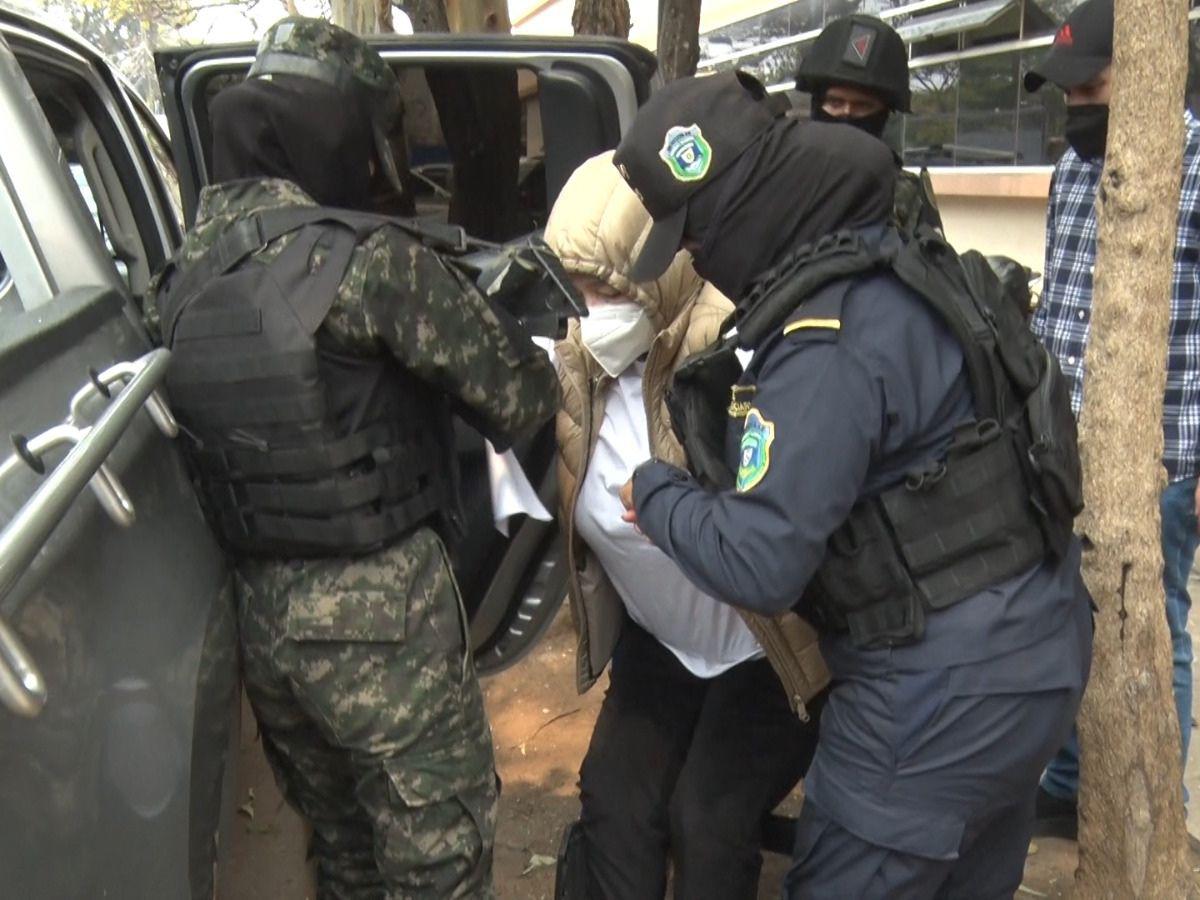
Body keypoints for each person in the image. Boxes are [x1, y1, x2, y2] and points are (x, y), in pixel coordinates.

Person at [611, 70, 1093, 898]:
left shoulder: (823, 338)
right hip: (1036, 658)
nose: (694, 258)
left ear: (742, 207)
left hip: (935, 700)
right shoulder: (907, 257)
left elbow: (760, 563)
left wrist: (657, 493)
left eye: (695, 236)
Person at [148, 17, 558, 897]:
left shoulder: (177, 281)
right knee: (436, 865)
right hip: (383, 617)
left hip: (261, 622)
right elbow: (521, 396)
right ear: (336, 132)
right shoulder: (368, 262)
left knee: (342, 855)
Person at [543, 151, 830, 899]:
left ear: (664, 268)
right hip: (662, 645)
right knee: (615, 803)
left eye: (609, 284)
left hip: (765, 653)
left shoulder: (741, 364)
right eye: (578, 285)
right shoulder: (575, 375)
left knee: (706, 820)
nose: (591, 305)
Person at [1025, 0, 1200, 837]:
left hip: (1164, 449)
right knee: (1070, 614)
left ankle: (1148, 806)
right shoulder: (1072, 168)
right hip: (1067, 443)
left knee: (1152, 626)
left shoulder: (1197, 162)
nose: (1076, 108)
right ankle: (1066, 785)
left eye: (1090, 87)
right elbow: (1055, 297)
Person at [794, 14, 942, 236]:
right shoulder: (785, 178)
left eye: (862, 106)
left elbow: (935, 264)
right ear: (817, 104)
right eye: (835, 103)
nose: (847, 114)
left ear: (884, 114)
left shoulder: (906, 193)